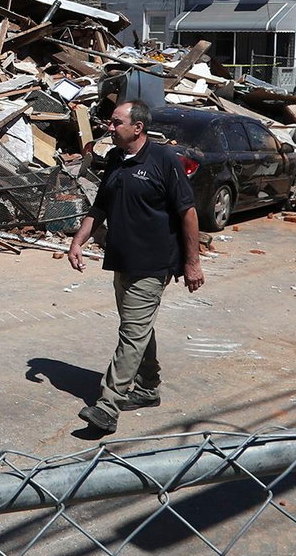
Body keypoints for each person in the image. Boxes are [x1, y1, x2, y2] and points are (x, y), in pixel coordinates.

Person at [65, 100, 204, 436]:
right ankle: (148, 387)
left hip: (154, 263)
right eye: (109, 123)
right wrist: (78, 241)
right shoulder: (114, 159)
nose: (109, 128)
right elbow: (100, 206)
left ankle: (108, 407)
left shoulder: (164, 161)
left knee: (131, 334)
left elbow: (188, 212)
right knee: (137, 328)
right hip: (122, 260)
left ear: (138, 128)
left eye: (116, 123)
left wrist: (192, 262)